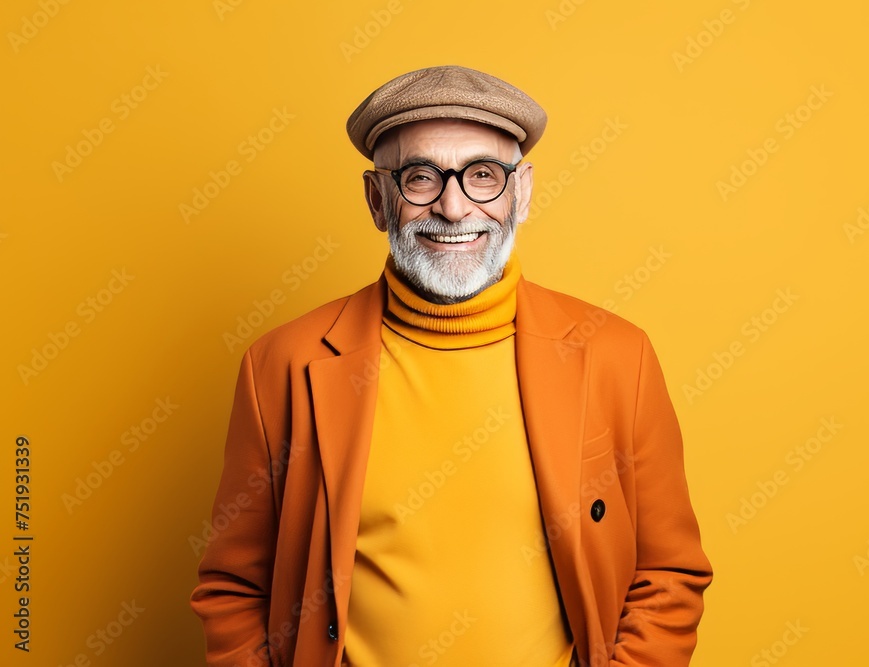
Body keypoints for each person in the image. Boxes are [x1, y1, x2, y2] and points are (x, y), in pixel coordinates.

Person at [190, 64, 712, 667]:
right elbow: (234, 587)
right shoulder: (281, 365)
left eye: (483, 175)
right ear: (378, 200)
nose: (454, 206)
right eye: (420, 178)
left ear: (522, 193)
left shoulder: (618, 356)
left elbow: (669, 572)